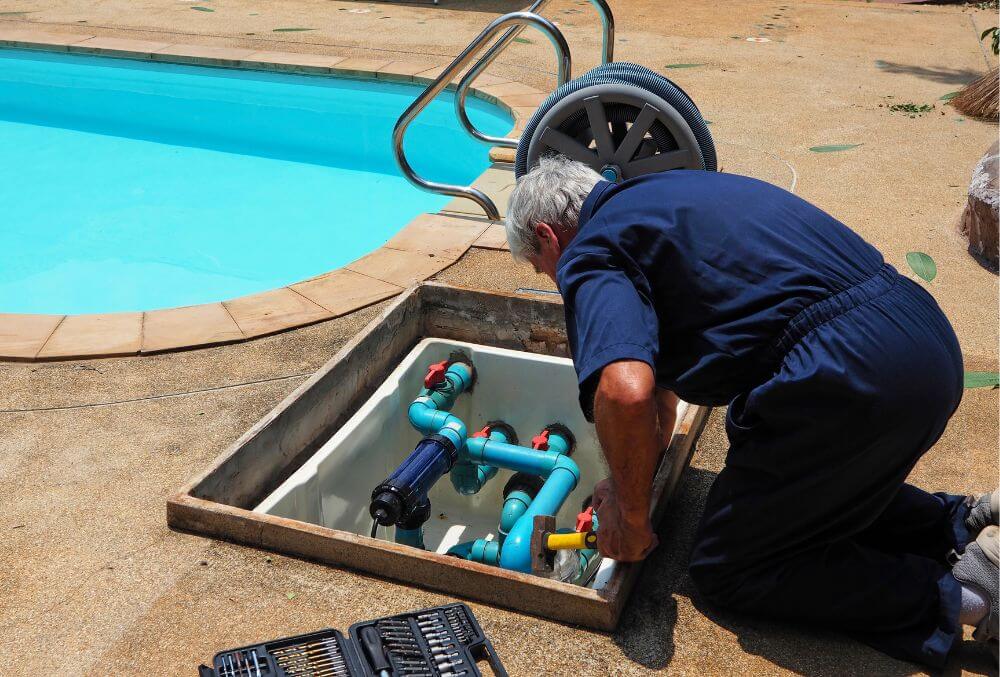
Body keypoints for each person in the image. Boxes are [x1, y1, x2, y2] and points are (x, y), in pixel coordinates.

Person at [504, 155, 998, 666]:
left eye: (544, 271)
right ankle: (961, 521)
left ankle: (975, 596)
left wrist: (630, 522)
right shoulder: (661, 196)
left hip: (852, 373)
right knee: (786, 495)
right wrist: (629, 483)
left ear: (548, 236)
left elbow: (623, 392)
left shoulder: (590, 250)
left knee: (730, 563)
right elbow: (659, 400)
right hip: (919, 339)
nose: (556, 283)